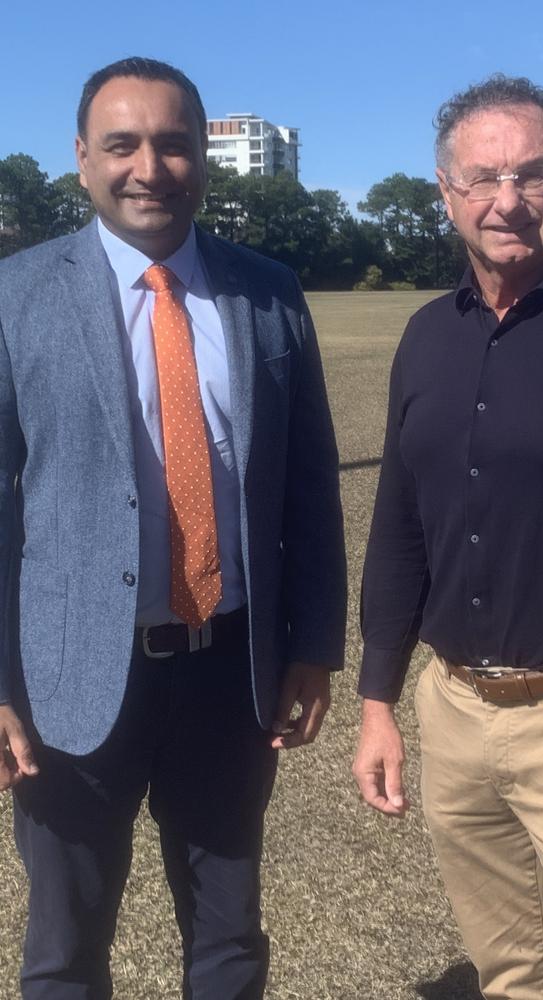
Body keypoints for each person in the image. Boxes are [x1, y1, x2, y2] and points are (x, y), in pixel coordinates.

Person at [0, 56, 346, 1000]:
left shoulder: (268, 291)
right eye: (122, 143)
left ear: (202, 157)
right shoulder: (15, 296)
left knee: (230, 942)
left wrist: (312, 645)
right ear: (81, 159)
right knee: (65, 952)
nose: (148, 165)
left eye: (173, 143)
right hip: (69, 676)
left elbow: (310, 483)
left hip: (228, 672)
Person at [353, 73, 543, 1000]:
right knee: (507, 970)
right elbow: (401, 526)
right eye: (482, 178)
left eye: (532, 173)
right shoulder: (424, 337)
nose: (506, 201)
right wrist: (378, 701)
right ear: (445, 190)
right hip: (458, 714)